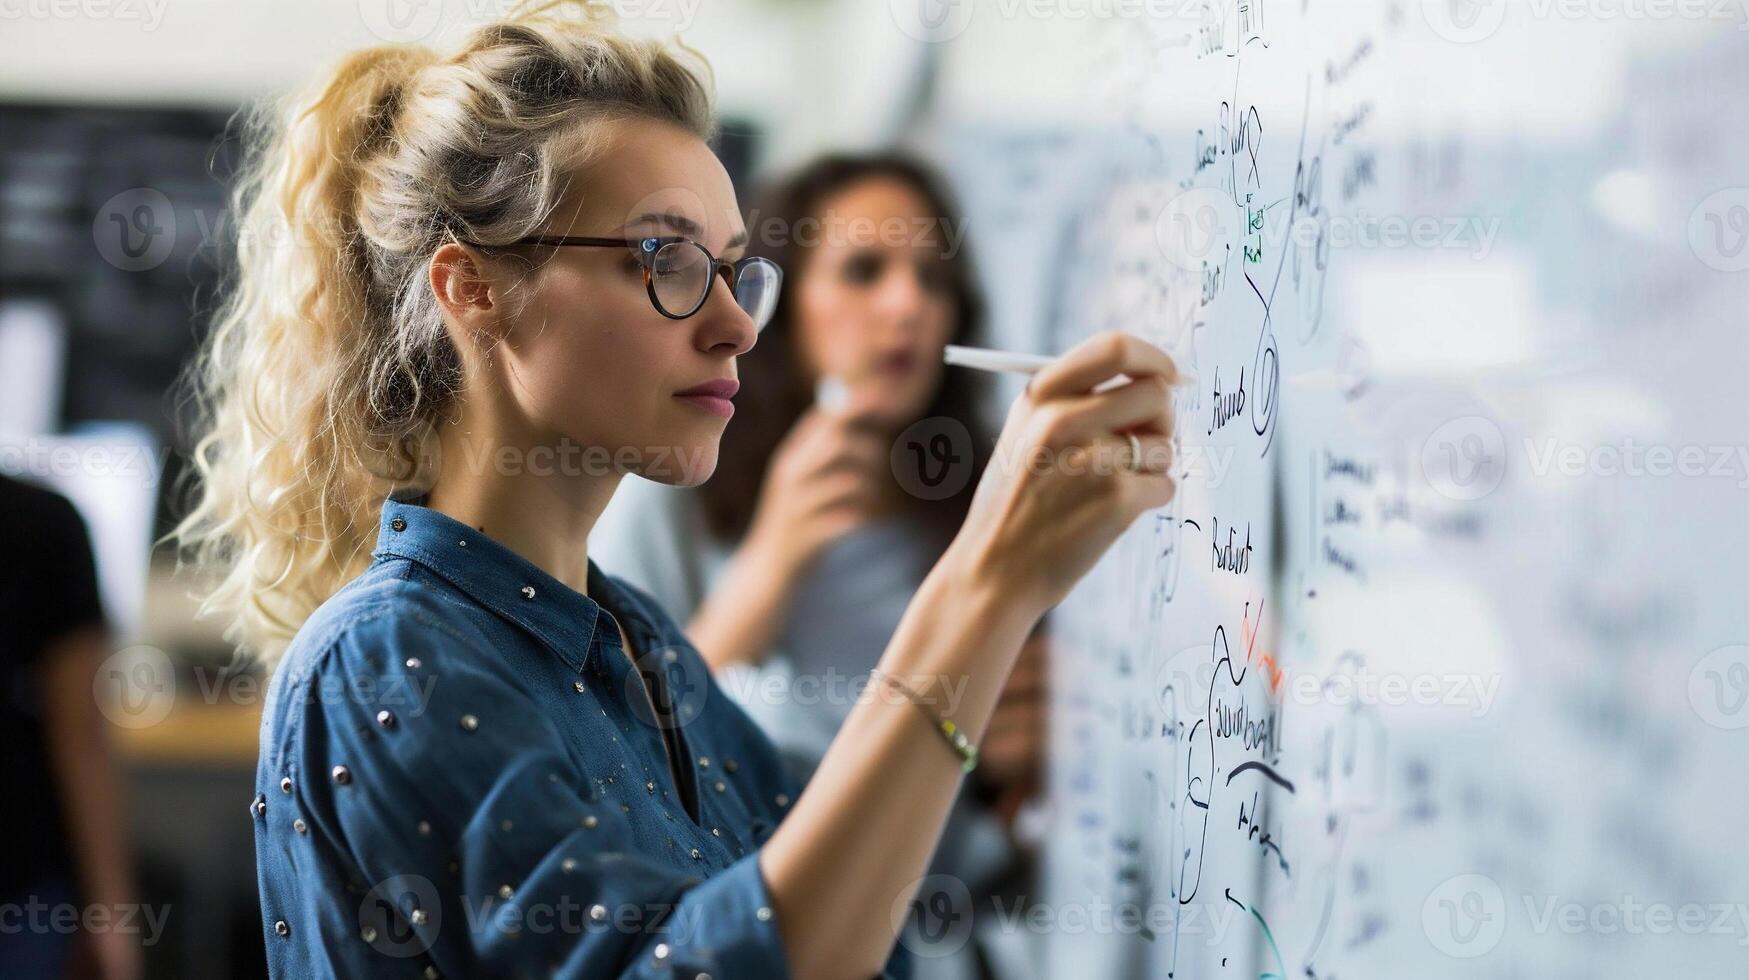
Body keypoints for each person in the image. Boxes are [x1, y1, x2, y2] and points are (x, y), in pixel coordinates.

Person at [173, 5, 1180, 978]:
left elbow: (845, 913)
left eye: (736, 272)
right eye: (666, 259)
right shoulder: (386, 656)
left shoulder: (634, 640)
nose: (737, 326)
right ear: (473, 288)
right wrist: (988, 585)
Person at [590, 153, 1047, 974]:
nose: (906, 306)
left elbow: (986, 823)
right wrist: (767, 567)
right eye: (863, 271)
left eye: (931, 278)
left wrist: (1011, 775)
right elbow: (614, 758)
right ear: (780, 306)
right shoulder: (671, 488)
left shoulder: (982, 510)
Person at [0, 474, 141, 980]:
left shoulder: (42, 525)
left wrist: (111, 917)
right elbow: (81, 737)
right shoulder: (42, 521)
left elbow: (79, 735)